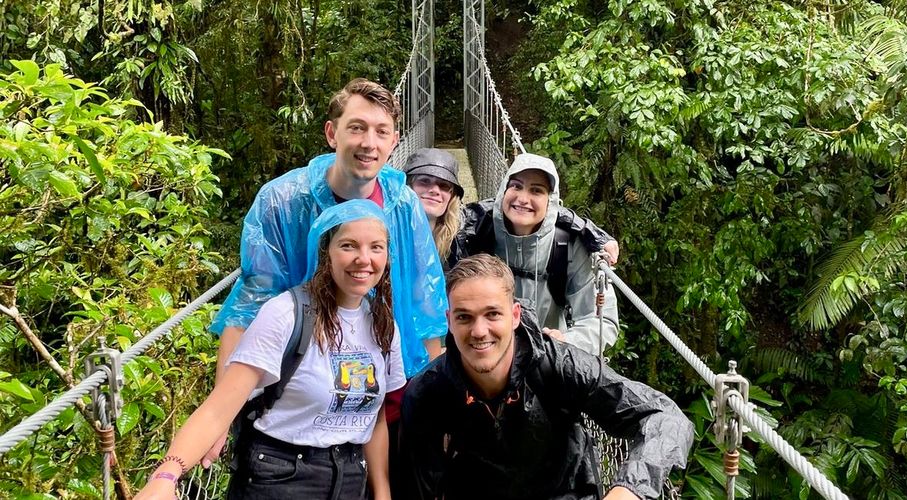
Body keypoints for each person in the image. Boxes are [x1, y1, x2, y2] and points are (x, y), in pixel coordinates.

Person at [204, 79, 447, 466]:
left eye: (381, 131)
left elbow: (426, 304)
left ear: (395, 141)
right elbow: (251, 303)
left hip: (387, 391)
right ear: (332, 133)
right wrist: (220, 415)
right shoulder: (284, 202)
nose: (369, 143)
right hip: (303, 404)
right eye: (357, 128)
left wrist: (438, 400)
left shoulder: (403, 204)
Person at [137, 200, 405, 499]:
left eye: (376, 247)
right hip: (280, 476)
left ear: (387, 256)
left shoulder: (383, 324)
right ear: (326, 252)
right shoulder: (286, 313)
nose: (363, 259)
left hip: (351, 478)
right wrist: (167, 474)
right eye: (348, 245)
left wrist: (382, 491)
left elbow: (373, 417)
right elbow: (219, 407)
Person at [400, 254, 693, 500]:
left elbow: (666, 416)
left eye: (493, 314)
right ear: (449, 322)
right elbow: (418, 486)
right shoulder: (428, 391)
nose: (479, 331)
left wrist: (629, 489)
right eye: (464, 317)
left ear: (515, 316)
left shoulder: (560, 366)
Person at [452, 153, 620, 355]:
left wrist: (565, 342)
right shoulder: (477, 232)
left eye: (536, 190)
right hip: (482, 352)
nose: (523, 199)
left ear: (551, 202)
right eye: (516, 186)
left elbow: (602, 321)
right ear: (504, 190)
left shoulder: (569, 244)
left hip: (545, 358)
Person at [405, 148, 621, 272]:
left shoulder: (456, 227)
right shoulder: (389, 228)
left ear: (452, 196)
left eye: (444, 186)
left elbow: (542, 209)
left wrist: (592, 233)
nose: (434, 191)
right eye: (424, 181)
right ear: (406, 185)